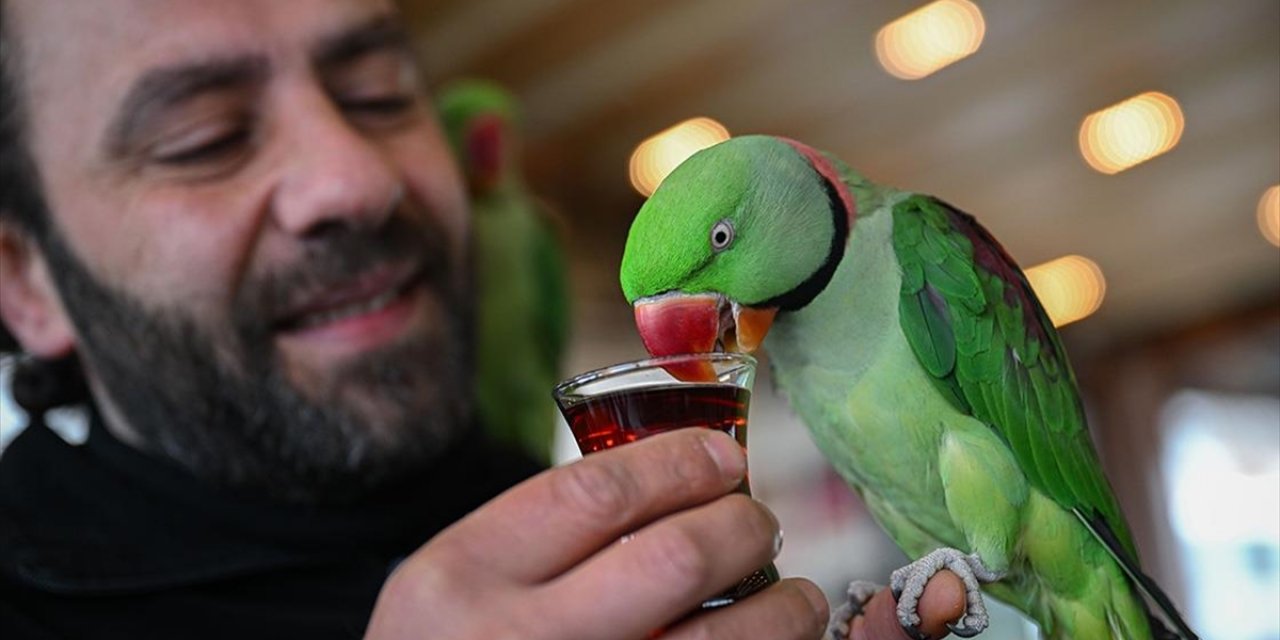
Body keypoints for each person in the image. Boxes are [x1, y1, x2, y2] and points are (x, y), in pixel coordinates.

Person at [0, 1, 961, 638]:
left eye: (379, 95)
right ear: (24, 283)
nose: (358, 178)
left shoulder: (570, 538)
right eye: (202, 139)